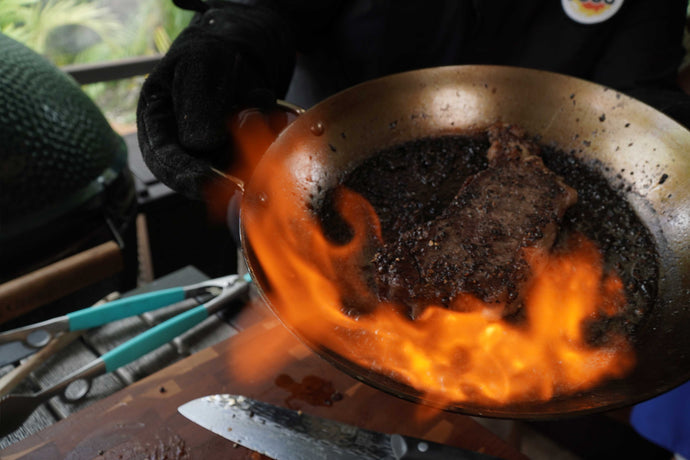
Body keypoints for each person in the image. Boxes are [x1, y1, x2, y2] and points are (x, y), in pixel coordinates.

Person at [136, 1, 690, 457]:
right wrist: (233, 31)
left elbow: (637, 95)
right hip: (310, 201)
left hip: (506, 365)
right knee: (291, 405)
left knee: (473, 434)